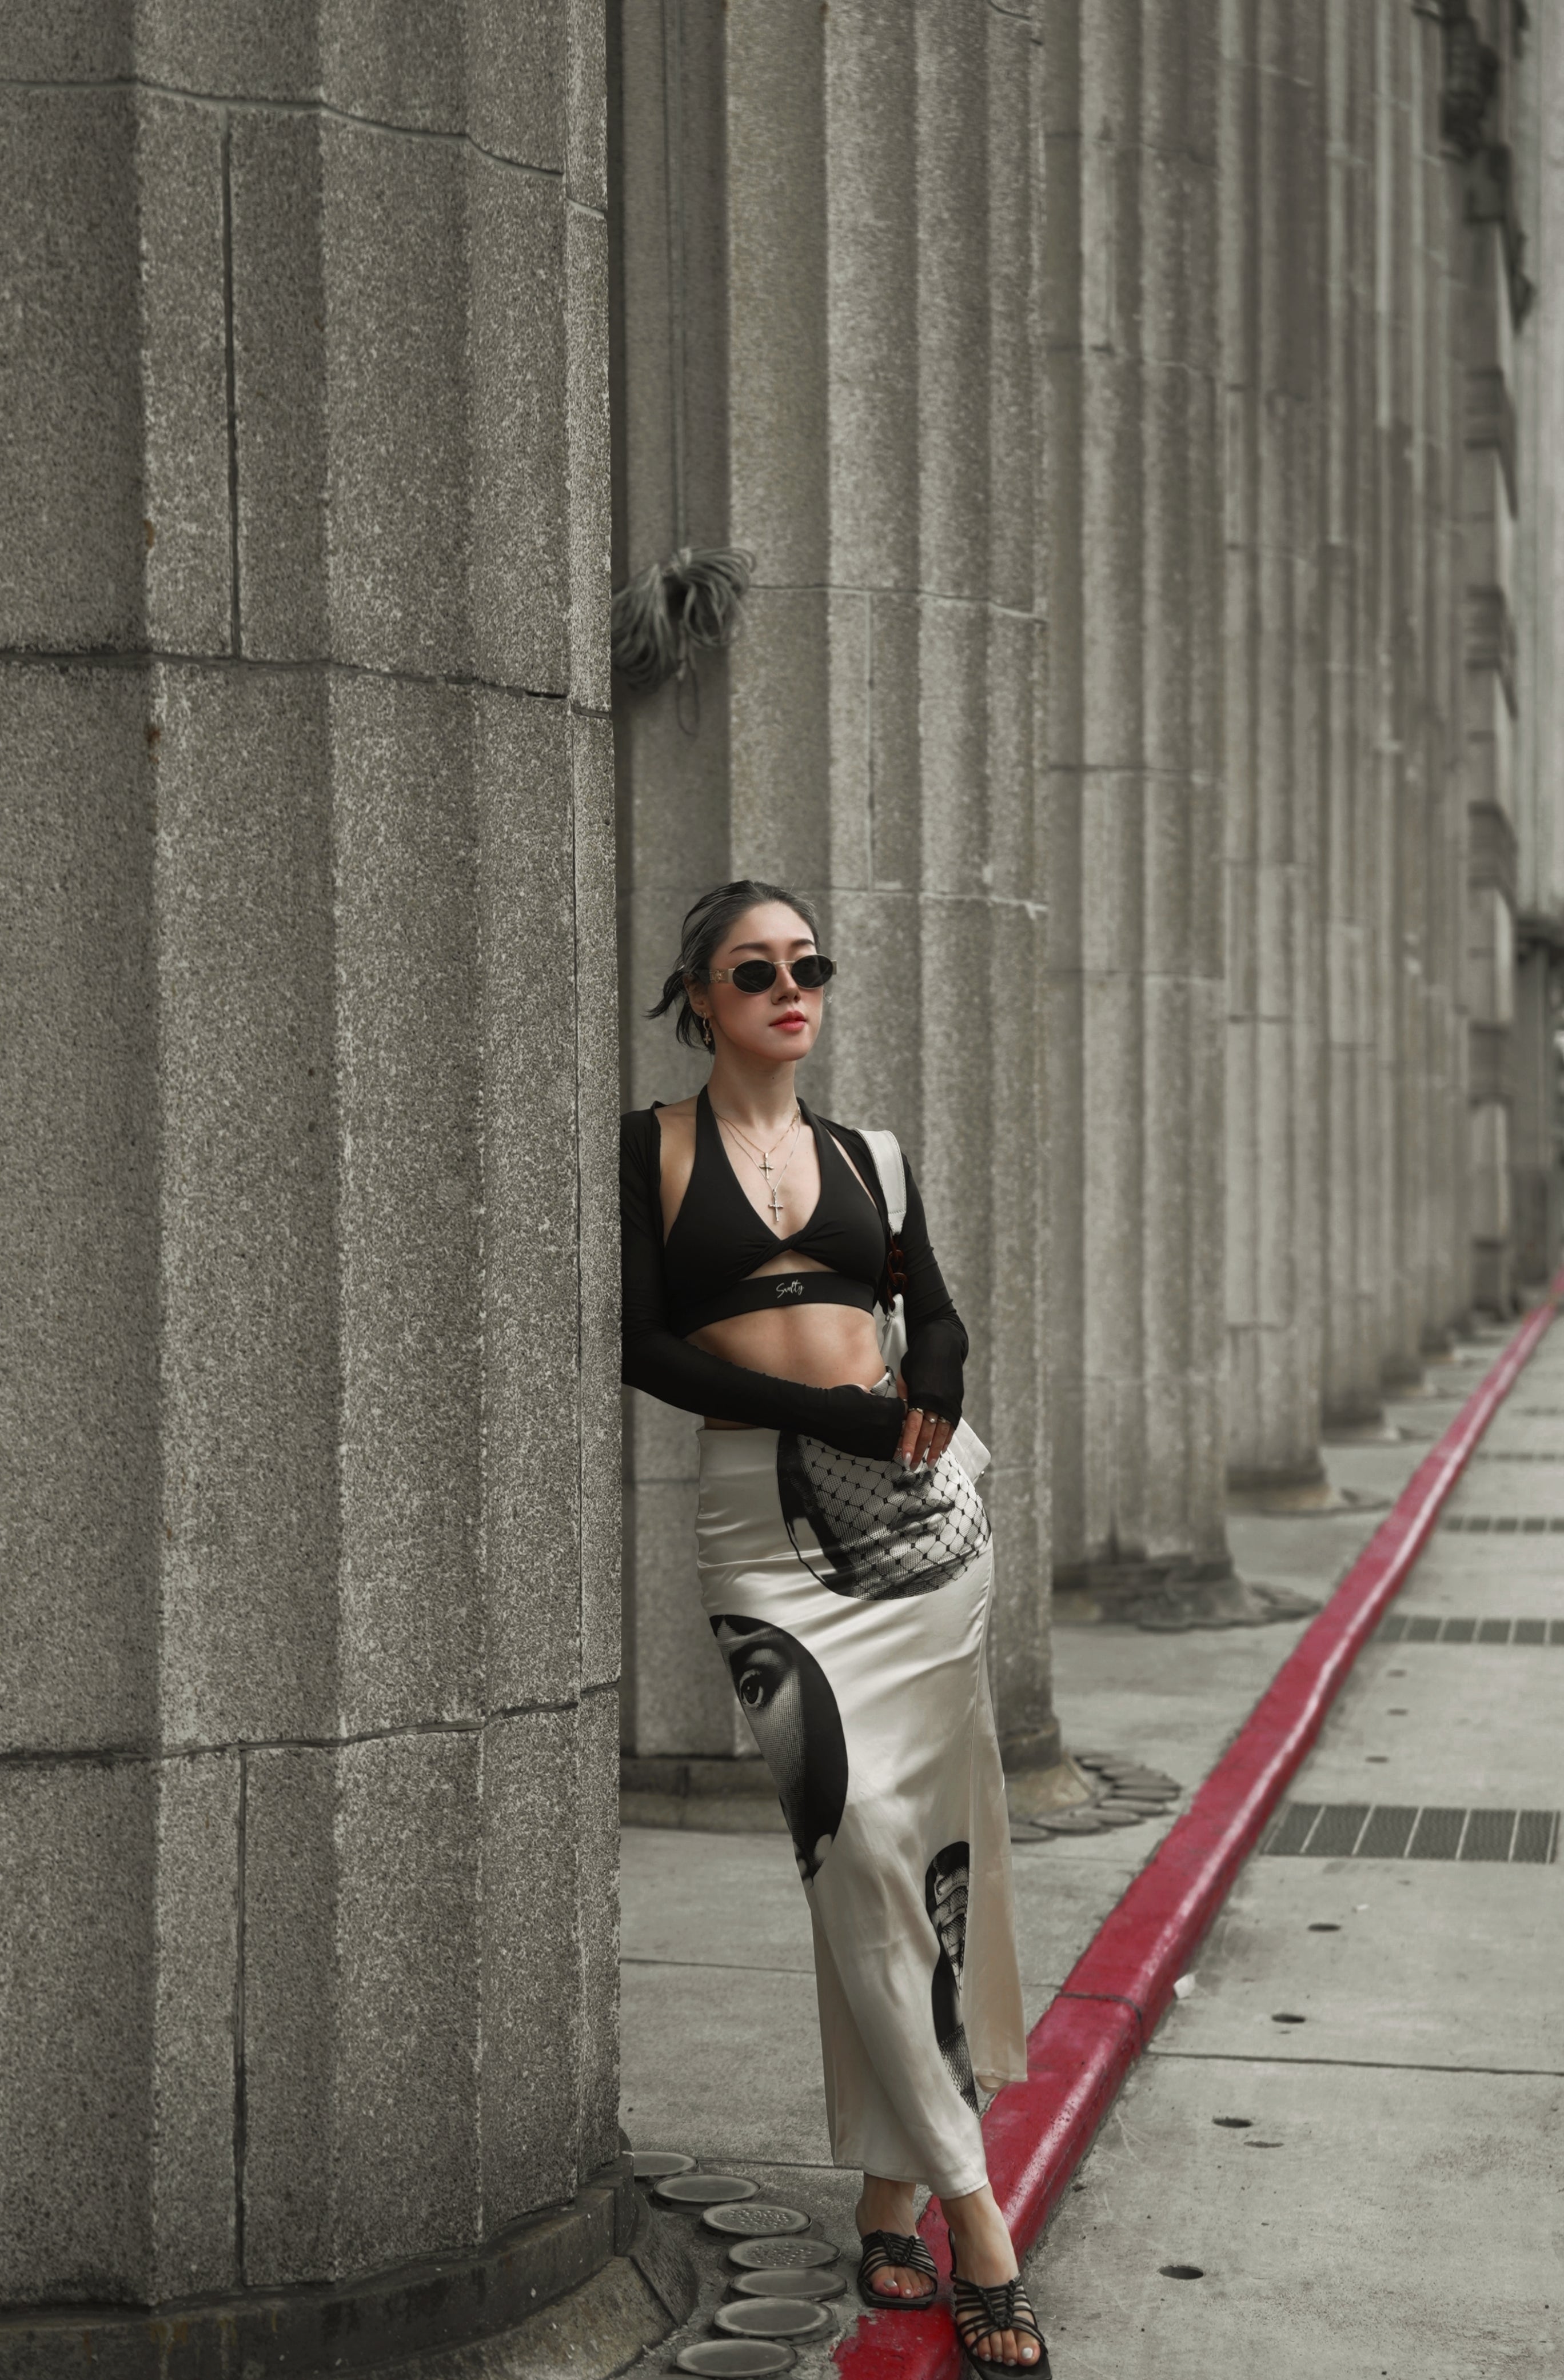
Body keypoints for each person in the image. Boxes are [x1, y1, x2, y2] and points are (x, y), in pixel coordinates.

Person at [620, 880, 1048, 2376]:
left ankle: (888, 2192)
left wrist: (934, 1373)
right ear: (700, 996)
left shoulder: (872, 1155)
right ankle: (976, 2213)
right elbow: (645, 1347)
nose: (790, 987)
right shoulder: (652, 1150)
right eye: (756, 970)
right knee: (854, 1840)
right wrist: (820, 1412)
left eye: (810, 963)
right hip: (766, 1543)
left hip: (923, 1521)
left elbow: (935, 1310)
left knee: (927, 1850)